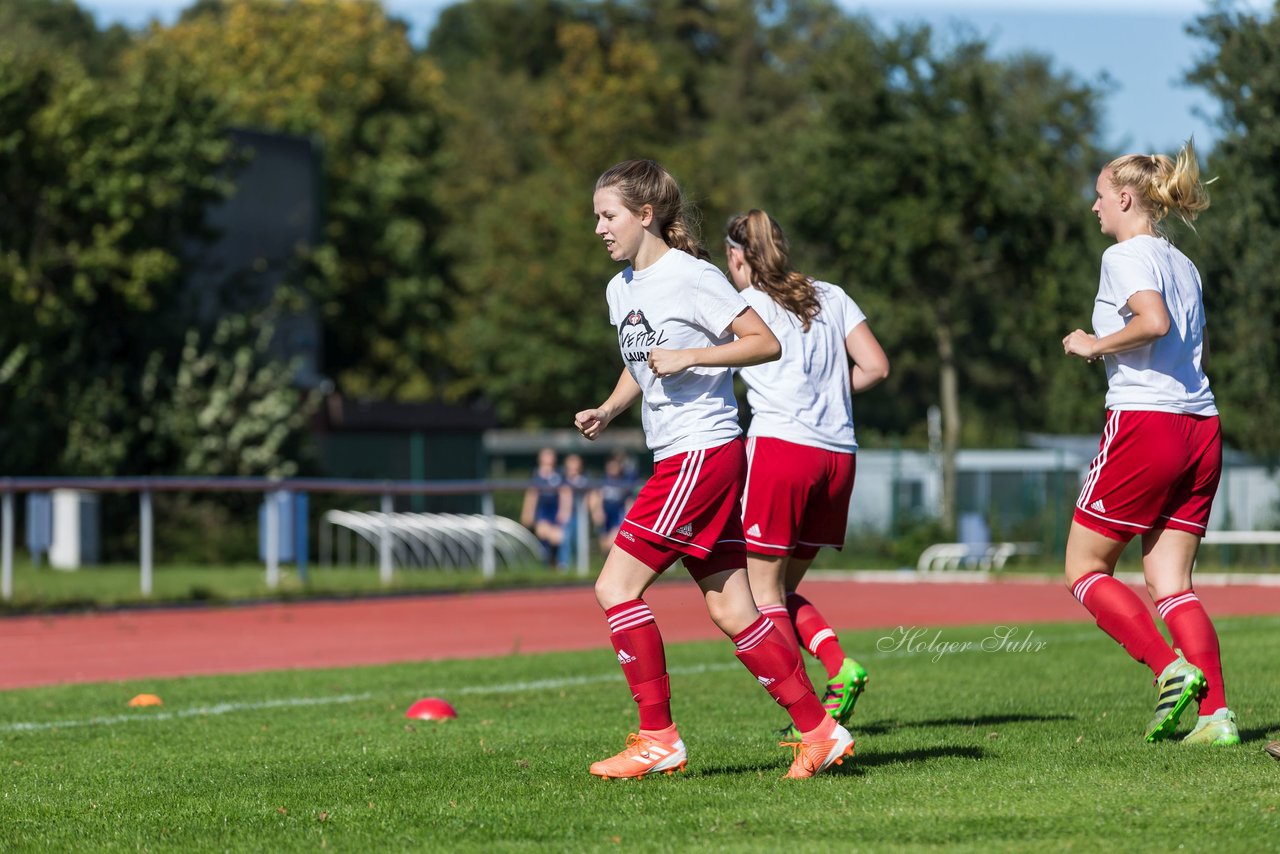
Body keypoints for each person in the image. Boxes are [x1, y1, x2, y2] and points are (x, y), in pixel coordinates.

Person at [575, 159, 854, 780]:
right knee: (733, 610)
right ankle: (820, 731)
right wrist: (610, 408)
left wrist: (694, 356)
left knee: (615, 587)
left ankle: (658, 738)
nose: (598, 227)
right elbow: (644, 361)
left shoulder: (691, 277)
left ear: (645, 216)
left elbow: (763, 342)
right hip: (684, 454)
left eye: (608, 215)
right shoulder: (621, 288)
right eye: (596, 216)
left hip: (700, 454)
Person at [1062, 140, 1238, 746]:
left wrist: (1093, 344)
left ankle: (1170, 669)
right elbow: (1196, 349)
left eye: (1101, 196)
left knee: (1083, 569)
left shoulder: (1126, 256)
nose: (1095, 208)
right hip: (1202, 426)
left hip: (1148, 424)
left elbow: (1152, 323)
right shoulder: (1182, 262)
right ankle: (1216, 718)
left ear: (1126, 198)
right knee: (1172, 584)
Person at [724, 209, 890, 738]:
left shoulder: (745, 305)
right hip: (838, 455)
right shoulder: (831, 295)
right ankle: (838, 668)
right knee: (782, 589)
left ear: (738, 256)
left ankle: (810, 717)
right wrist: (830, 393)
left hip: (783, 449)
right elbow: (876, 366)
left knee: (759, 595)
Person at [520, 447, 567, 568]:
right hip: (542, 515)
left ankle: (557, 564)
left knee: (558, 537)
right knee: (545, 535)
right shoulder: (536, 477)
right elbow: (531, 497)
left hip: (555, 516)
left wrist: (563, 512)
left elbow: (564, 495)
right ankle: (546, 564)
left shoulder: (559, 476)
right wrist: (527, 515)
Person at [589, 451, 637, 554]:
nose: (613, 468)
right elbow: (595, 497)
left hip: (618, 517)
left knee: (612, 542)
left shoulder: (625, 482)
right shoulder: (602, 481)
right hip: (606, 518)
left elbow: (629, 502)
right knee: (604, 545)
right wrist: (597, 511)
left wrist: (625, 521)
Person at [555, 453, 590, 569]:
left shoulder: (584, 481)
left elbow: (589, 499)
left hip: (580, 516)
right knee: (566, 539)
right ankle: (564, 565)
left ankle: (580, 566)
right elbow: (563, 499)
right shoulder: (563, 481)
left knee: (579, 541)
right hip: (567, 517)